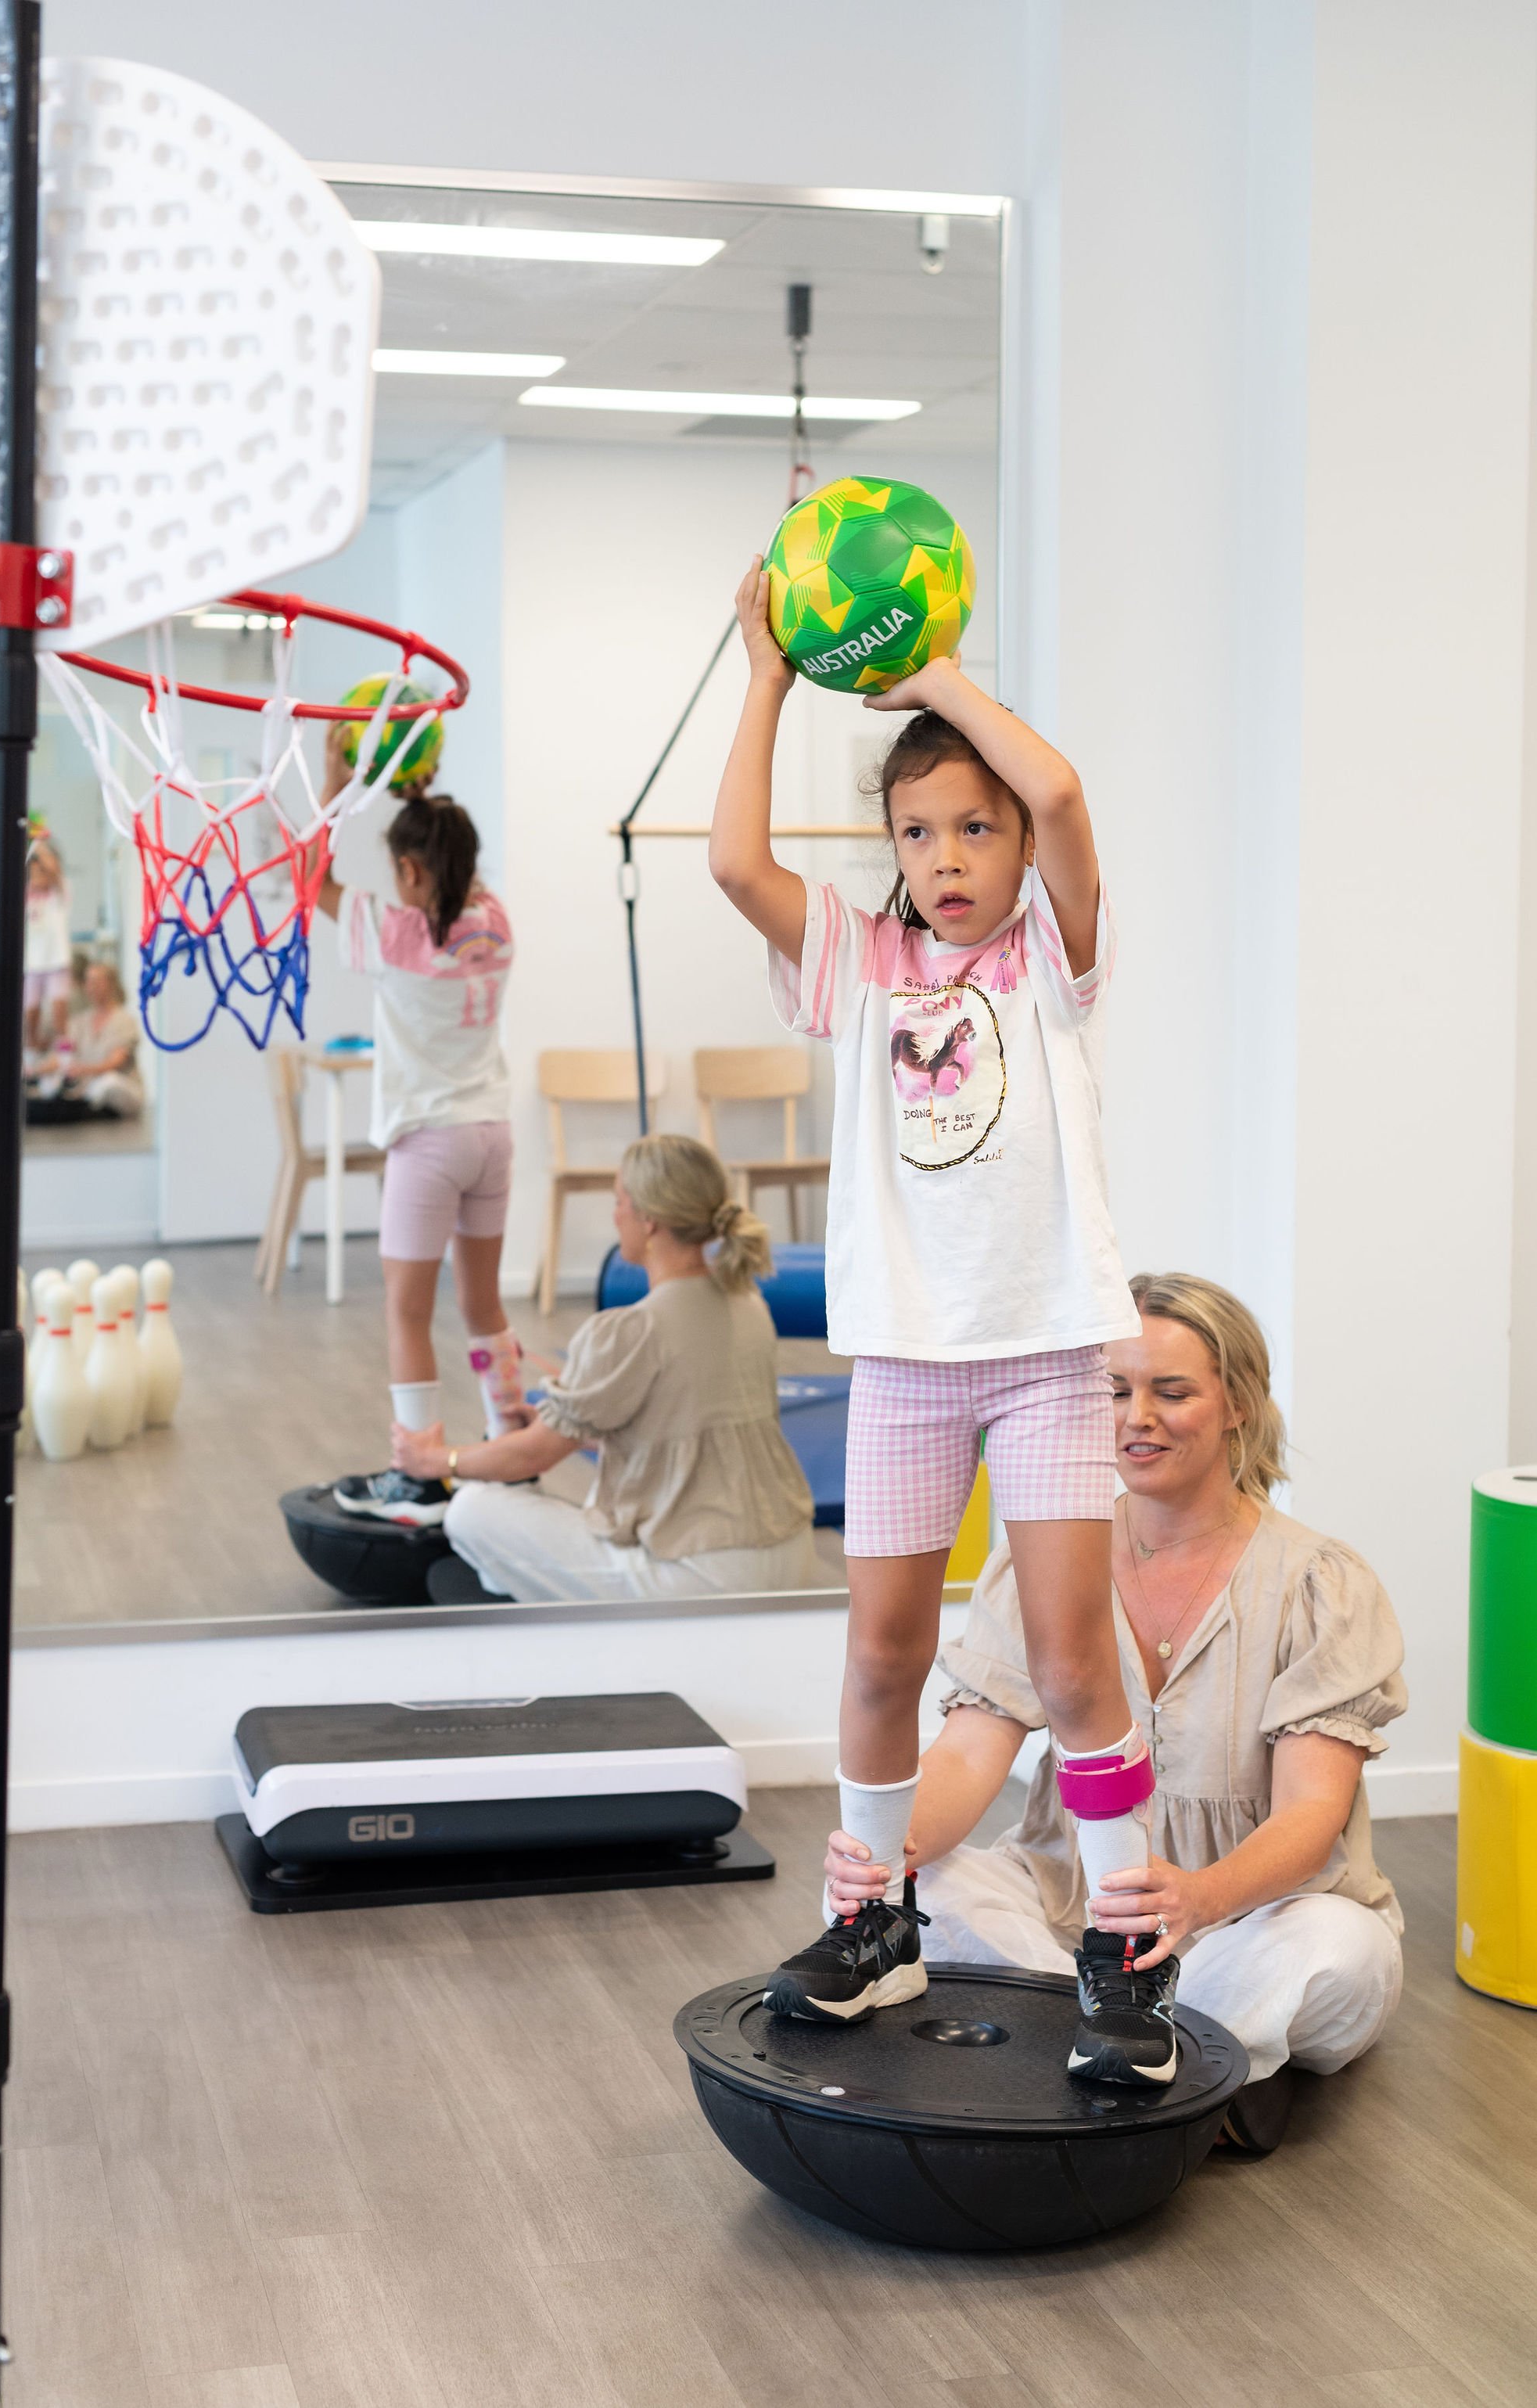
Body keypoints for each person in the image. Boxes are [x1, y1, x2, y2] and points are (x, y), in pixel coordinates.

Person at [710, 560, 1161, 2076]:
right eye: (919, 830)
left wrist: (938, 671)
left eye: (977, 827)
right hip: (905, 1360)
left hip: (1040, 1356)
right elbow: (728, 863)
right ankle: (873, 1919)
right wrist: (770, 670)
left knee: (1070, 1660)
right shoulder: (858, 961)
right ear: (888, 846)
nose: (949, 854)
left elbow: (1067, 788)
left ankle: (1125, 1947)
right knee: (883, 1656)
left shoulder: (1052, 960)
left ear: (1018, 848)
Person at [822, 1273, 1406, 2130]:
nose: (1136, 1418)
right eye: (1112, 1391)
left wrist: (1199, 1899)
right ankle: (1183, 2065)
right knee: (926, 1888)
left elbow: (1310, 1814)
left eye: (1171, 1392)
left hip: (1249, 1917)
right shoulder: (1038, 1566)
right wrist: (884, 1857)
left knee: (1340, 1954)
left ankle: (1104, 2050)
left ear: (1236, 1402)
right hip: (1074, 1929)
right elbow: (969, 1749)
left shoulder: (1320, 1582)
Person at [390, 1133, 822, 1603]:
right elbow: (690, 1425)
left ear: (649, 1220)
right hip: (791, 1554)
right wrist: (579, 1430)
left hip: (702, 1575)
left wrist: (436, 1460)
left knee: (471, 1510)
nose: (615, 1216)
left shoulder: (632, 1329)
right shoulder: (748, 1301)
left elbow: (532, 1457)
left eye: (619, 1202)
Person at [315, 729, 519, 1524]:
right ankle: (509, 1445)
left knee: (405, 1311)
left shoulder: (394, 933)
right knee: (481, 1306)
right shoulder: (495, 920)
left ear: (407, 870)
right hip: (491, 1136)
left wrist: (340, 782)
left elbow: (310, 879)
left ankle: (416, 1469)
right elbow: (443, 861)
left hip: (429, 1142)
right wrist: (417, 800)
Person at [25, 958, 144, 1124]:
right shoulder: (79, 1022)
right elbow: (60, 1057)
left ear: (110, 984)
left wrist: (84, 1069)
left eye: (96, 981)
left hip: (114, 1086)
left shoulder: (124, 1021)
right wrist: (34, 1071)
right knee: (50, 1083)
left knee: (109, 1083)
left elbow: (116, 1061)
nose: (91, 987)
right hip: (87, 1088)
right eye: (88, 981)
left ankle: (87, 1109)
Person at [23, 830, 73, 1056]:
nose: (39, 875)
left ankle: (64, 1053)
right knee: (31, 1011)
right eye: (35, 872)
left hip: (56, 959)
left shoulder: (58, 892)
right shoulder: (24, 894)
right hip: (32, 962)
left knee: (59, 1008)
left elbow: (54, 870)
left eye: (42, 871)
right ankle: (31, 1051)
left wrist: (38, 843)